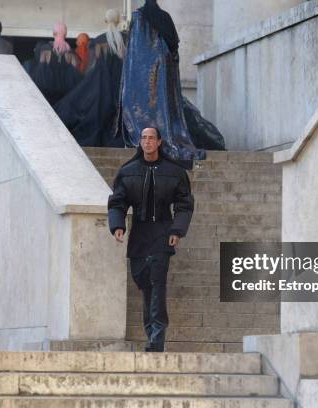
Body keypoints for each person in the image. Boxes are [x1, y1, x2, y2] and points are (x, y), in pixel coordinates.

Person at [108, 127, 194, 352]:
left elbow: (184, 205)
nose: (147, 142)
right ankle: (152, 332)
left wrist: (177, 230)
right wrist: (117, 225)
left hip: (162, 232)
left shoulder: (174, 172)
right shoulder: (128, 171)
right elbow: (117, 201)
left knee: (157, 282)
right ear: (140, 142)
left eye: (151, 138)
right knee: (143, 282)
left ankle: (156, 336)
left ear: (159, 142)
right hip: (138, 233)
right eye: (143, 138)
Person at [114, 0, 207, 162]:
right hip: (163, 71)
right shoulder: (164, 17)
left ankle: (147, 135)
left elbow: (133, 51)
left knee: (144, 106)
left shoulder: (138, 17)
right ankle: (155, 135)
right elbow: (173, 46)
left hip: (142, 74)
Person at [54, 9, 128, 147]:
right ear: (118, 21)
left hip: (101, 86)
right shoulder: (125, 39)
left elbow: (93, 67)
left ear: (105, 21)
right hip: (121, 85)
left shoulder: (98, 41)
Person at [30, 22, 82, 105]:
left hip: (47, 96)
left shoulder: (45, 49)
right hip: (64, 98)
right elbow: (75, 79)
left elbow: (40, 75)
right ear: (65, 34)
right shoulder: (72, 54)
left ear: (53, 33)